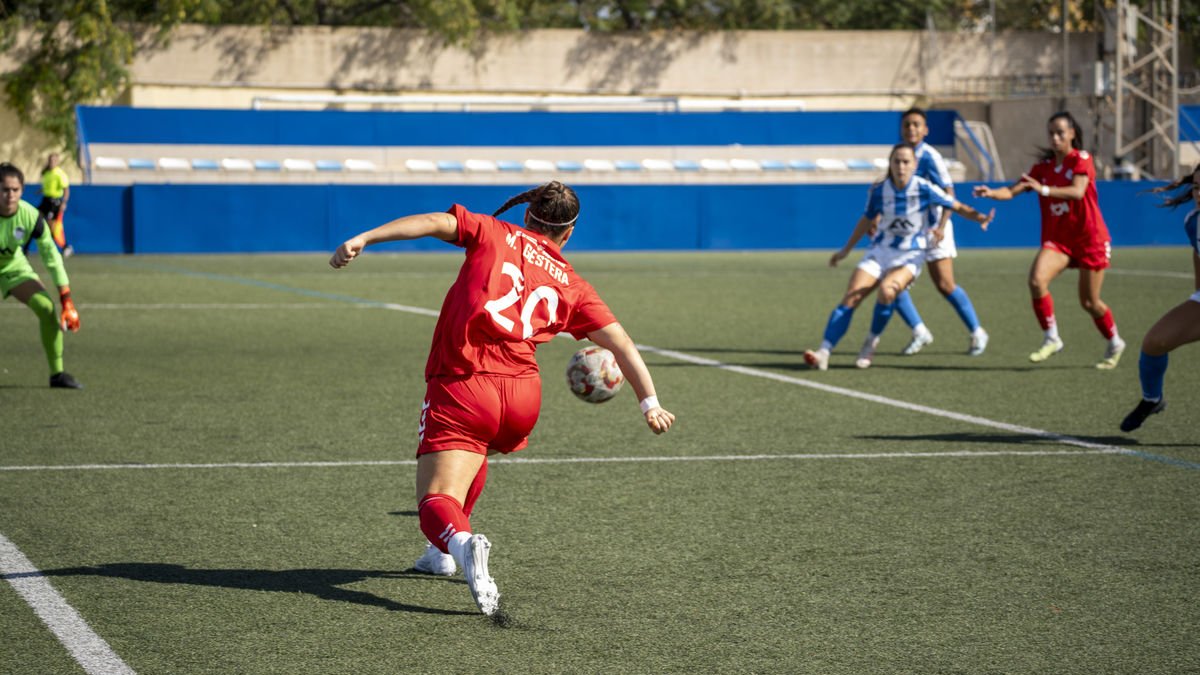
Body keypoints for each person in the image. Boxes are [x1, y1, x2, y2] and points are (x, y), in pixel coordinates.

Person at [329, 181, 675, 617]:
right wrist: (650, 403)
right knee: (477, 450)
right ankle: (439, 555)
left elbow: (435, 222)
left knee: (434, 500)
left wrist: (365, 237)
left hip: (466, 382)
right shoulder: (572, 281)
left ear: (527, 217)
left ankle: (460, 541)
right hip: (521, 397)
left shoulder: (492, 231)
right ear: (568, 235)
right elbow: (622, 343)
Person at [803, 144, 994, 370]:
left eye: (906, 162)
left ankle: (870, 342)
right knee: (851, 297)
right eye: (897, 161)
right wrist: (846, 250)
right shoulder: (880, 190)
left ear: (914, 165)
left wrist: (980, 217)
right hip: (879, 252)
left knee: (887, 290)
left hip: (909, 255)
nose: (901, 167)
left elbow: (956, 205)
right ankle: (823, 352)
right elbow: (866, 219)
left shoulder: (925, 188)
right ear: (890, 164)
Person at [973, 111, 1126, 369]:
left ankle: (1115, 342)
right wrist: (991, 193)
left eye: (1060, 133)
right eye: (1051, 133)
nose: (1054, 138)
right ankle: (1052, 337)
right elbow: (1013, 190)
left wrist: (1043, 190)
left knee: (1089, 302)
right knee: (1036, 280)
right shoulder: (1043, 169)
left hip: (1090, 239)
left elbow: (1078, 192)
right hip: (1059, 241)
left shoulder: (1082, 159)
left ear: (1072, 134)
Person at [883, 108, 990, 357]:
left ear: (925, 130)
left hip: (934, 229)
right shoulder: (900, 155)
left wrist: (941, 227)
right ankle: (919, 331)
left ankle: (977, 331)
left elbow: (949, 194)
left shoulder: (930, 157)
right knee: (892, 283)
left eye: (916, 124)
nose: (911, 129)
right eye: (907, 124)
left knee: (944, 284)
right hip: (910, 232)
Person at [1120, 163, 1200, 431]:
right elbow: (1198, 253)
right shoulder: (1194, 221)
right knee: (1155, 342)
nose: (1199, 193)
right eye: (1197, 187)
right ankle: (1152, 399)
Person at [0, 162, 82, 388]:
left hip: (12, 267)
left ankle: (57, 374)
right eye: (4, 189)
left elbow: (51, 255)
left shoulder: (31, 216)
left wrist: (66, 297)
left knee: (46, 308)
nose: (10, 195)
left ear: (22, 191)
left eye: (15, 190)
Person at [30, 153, 72, 257]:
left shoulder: (60, 174)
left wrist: (64, 202)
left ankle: (65, 247)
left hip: (55, 203)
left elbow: (66, 190)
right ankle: (25, 248)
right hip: (45, 201)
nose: (51, 162)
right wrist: (40, 191)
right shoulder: (46, 173)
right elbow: (47, 186)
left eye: (53, 160)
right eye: (50, 160)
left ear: (57, 162)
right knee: (34, 218)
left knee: (52, 226)